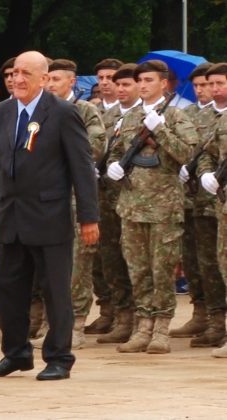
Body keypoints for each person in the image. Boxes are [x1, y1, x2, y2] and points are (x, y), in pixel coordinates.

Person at [0, 51, 99, 381]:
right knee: (6, 288)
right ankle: (16, 353)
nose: (17, 79)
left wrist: (89, 217)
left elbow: (81, 167)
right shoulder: (2, 111)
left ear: (44, 79)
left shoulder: (62, 112)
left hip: (49, 215)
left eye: (26, 74)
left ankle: (59, 356)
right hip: (9, 215)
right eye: (14, 73)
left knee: (55, 291)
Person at [106, 60, 198, 354]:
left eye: (149, 80)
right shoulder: (130, 117)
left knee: (162, 270)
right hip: (131, 206)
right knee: (139, 270)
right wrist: (113, 167)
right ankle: (142, 326)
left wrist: (162, 131)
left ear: (163, 83)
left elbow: (188, 154)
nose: (143, 85)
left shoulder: (175, 116)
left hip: (163, 207)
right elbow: (116, 151)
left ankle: (160, 329)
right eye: (140, 81)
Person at [36, 58, 106, 349]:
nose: (51, 85)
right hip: (44, 197)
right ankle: (50, 321)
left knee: (78, 263)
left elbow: (95, 147)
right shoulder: (38, 109)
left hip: (75, 197)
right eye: (47, 79)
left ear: (72, 82)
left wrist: (54, 152)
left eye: (57, 79)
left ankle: (75, 323)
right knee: (48, 263)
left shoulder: (84, 110)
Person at [172, 62, 225, 346]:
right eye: (204, 85)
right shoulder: (196, 115)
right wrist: (202, 171)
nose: (209, 89)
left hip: (217, 201)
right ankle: (209, 318)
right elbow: (203, 152)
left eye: (215, 84)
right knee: (202, 263)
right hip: (199, 200)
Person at [94, 63, 139, 344]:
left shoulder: (145, 116)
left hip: (135, 196)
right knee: (108, 257)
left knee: (133, 258)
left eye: (121, 82)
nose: (111, 85)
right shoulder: (104, 115)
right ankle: (117, 313)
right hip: (104, 196)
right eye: (105, 79)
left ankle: (137, 318)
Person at [195, 62, 227, 357]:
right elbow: (206, 152)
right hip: (223, 203)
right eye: (212, 83)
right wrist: (206, 173)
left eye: (221, 83)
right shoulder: (220, 120)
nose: (215, 89)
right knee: (223, 264)